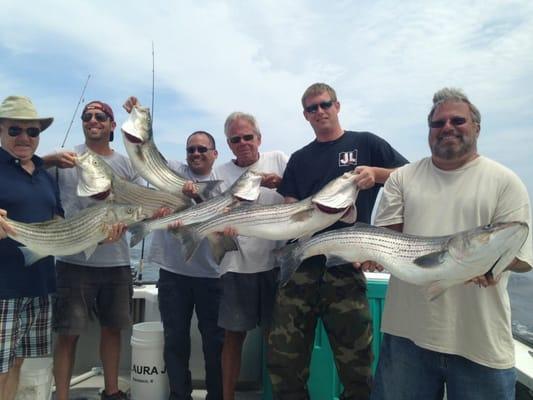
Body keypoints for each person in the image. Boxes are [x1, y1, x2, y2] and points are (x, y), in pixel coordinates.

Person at [369, 88, 532, 400]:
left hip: (479, 341)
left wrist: (490, 263)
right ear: (429, 131)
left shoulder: (505, 181)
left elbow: (522, 257)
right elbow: (386, 241)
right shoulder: (401, 178)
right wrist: (365, 254)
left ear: (476, 128)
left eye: (458, 120)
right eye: (438, 123)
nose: (447, 127)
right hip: (407, 334)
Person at [266, 82, 408, 400]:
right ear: (305, 115)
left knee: (357, 365)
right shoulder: (300, 159)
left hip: (346, 264)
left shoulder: (366, 143)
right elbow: (290, 204)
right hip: (300, 265)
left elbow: (412, 176)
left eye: (325, 104)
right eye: (312, 108)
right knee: (284, 361)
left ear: (337, 106)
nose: (320, 112)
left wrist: (376, 174)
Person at [44, 100, 140, 400]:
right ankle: (60, 396)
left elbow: (137, 206)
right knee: (67, 334)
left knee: (113, 330)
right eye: (88, 116)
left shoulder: (125, 164)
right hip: (72, 259)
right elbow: (29, 175)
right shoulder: (65, 159)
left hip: (117, 261)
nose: (93, 120)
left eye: (101, 116)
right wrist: (48, 160)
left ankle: (111, 391)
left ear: (113, 125)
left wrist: (129, 223)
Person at [216, 112, 288, 400]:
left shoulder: (279, 160)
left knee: (278, 336)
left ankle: (277, 394)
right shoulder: (219, 174)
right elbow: (213, 215)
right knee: (234, 337)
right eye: (236, 139)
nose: (243, 143)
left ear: (259, 138)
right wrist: (221, 228)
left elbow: (303, 193)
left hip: (277, 262)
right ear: (229, 144)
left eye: (248, 137)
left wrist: (281, 184)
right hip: (236, 265)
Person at [0, 95, 61, 400]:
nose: (24, 138)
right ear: (1, 130)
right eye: (15, 130)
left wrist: (101, 232)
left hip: (39, 284)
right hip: (3, 288)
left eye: (32, 132)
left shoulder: (46, 176)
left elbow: (58, 222)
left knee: (17, 362)